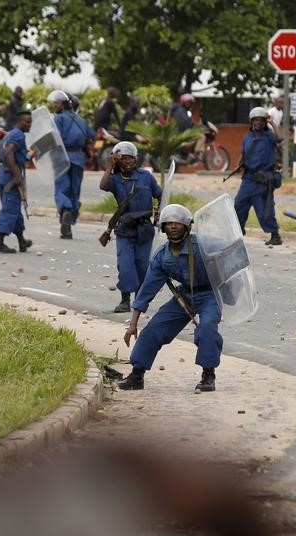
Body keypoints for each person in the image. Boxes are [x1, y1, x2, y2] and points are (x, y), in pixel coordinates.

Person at [119, 204, 223, 394]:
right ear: (163, 227)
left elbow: (230, 253)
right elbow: (146, 292)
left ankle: (208, 375)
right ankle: (136, 375)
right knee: (154, 329)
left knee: (207, 326)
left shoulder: (203, 246)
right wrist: (132, 324)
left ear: (187, 226)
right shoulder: (162, 257)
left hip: (210, 294)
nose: (173, 226)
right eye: (169, 223)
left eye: (178, 223)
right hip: (185, 296)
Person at [100, 141, 163, 313]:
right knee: (125, 265)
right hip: (125, 230)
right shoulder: (115, 180)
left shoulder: (145, 177)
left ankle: (139, 301)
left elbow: (161, 194)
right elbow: (103, 185)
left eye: (131, 158)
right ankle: (124, 300)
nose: (128, 162)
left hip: (144, 229)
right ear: (117, 161)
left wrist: (159, 211)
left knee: (143, 266)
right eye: (123, 159)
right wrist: (109, 166)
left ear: (136, 159)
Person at [48, 90, 95, 239]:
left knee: (61, 189)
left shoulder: (59, 119)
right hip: (78, 159)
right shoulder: (81, 121)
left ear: (65, 104)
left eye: (57, 102)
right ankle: (68, 225)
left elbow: (54, 138)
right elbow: (91, 137)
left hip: (62, 157)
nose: (55, 104)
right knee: (74, 191)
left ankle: (66, 210)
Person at [234, 107, 283, 246]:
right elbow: (244, 153)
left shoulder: (269, 137)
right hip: (248, 178)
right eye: (255, 120)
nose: (258, 123)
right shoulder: (247, 137)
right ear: (251, 121)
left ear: (264, 122)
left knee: (264, 210)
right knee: (238, 205)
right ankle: (239, 230)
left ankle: (275, 235)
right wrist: (238, 165)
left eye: (261, 120)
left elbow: (280, 138)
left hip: (263, 179)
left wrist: (272, 122)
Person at [0, 109, 33, 254]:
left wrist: (28, 156)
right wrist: (17, 176)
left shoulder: (11, 134)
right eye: (27, 122)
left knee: (14, 209)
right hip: (10, 176)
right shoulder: (18, 135)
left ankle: (22, 241)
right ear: (19, 121)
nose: (29, 124)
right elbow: (8, 153)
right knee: (10, 210)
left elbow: (8, 154)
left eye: (31, 122)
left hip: (4, 174)